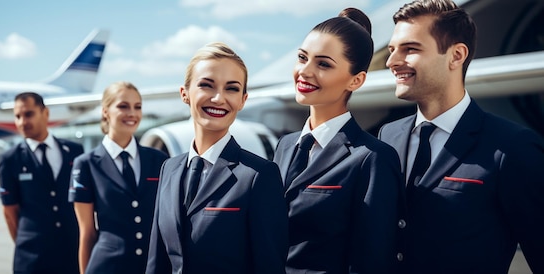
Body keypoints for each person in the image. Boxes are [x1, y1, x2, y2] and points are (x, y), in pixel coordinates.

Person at [378, 0, 544, 273]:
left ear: (456, 55)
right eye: (393, 49)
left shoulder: (513, 147)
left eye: (410, 49)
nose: (392, 61)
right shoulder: (388, 136)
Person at [272, 8, 404, 274]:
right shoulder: (285, 146)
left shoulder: (372, 157)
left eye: (323, 64)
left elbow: (373, 261)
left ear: (356, 80)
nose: (305, 72)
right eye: (302, 58)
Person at [146, 42, 289, 274]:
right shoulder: (168, 169)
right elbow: (157, 258)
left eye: (232, 89)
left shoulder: (258, 176)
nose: (218, 98)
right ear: (185, 94)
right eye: (206, 85)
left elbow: (270, 266)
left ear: (243, 100)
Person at [68, 81, 168, 274]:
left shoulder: (159, 160)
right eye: (123, 106)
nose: (132, 113)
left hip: (154, 265)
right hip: (108, 267)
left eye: (137, 107)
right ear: (105, 111)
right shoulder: (86, 164)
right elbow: (87, 233)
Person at [0, 91, 83, 274]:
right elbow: (10, 212)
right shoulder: (10, 159)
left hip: (73, 254)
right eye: (17, 116)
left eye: (28, 114)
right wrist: (28, 242)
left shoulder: (75, 152)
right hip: (32, 259)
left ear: (46, 113)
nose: (22, 122)